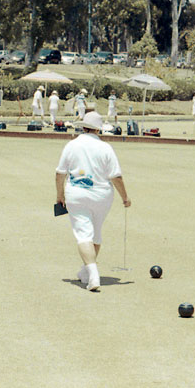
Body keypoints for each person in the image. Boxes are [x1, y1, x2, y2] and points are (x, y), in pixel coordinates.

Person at [55, 111, 131, 291]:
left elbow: (60, 173)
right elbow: (116, 177)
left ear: (83, 127)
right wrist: (125, 197)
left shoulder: (72, 145)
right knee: (95, 234)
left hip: (77, 194)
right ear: (98, 129)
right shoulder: (105, 147)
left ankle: (93, 274)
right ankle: (86, 272)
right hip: (102, 196)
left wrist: (60, 195)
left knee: (84, 235)